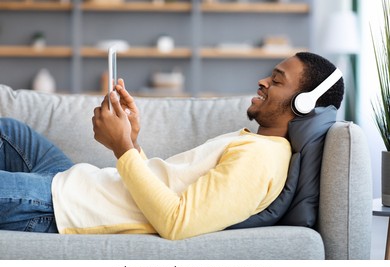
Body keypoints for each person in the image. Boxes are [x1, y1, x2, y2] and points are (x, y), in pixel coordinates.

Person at [0, 52, 344, 240]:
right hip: (80, 182)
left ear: (304, 103)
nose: (263, 81)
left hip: (62, 206)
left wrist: (123, 149)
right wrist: (132, 141)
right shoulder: (255, 142)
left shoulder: (263, 159)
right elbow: (167, 188)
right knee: (10, 129)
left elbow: (177, 222)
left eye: (277, 80)